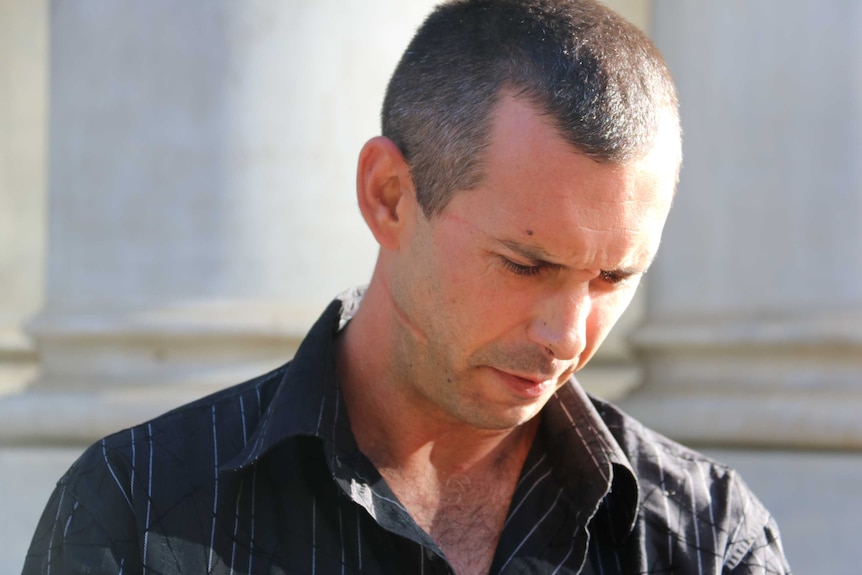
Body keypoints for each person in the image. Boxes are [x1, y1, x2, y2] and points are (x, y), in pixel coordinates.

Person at [24, 0, 791, 573]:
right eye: (525, 265)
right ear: (389, 194)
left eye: (614, 276)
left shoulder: (709, 541)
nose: (568, 334)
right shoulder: (136, 508)